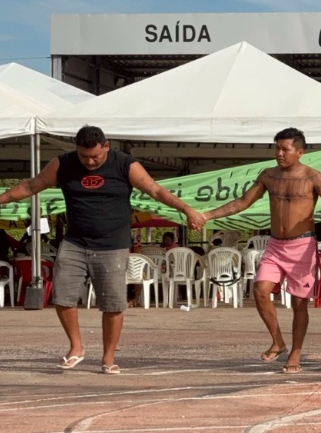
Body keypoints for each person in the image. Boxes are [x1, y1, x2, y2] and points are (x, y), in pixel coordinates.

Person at [0, 126, 205, 374]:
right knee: (62, 296)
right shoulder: (63, 163)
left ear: (106, 146)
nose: (89, 161)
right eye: (83, 156)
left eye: (95, 156)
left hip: (113, 245)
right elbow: (32, 186)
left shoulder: (126, 165)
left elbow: (156, 190)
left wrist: (188, 210)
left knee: (113, 304)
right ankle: (76, 347)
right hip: (75, 243)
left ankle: (108, 357)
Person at [202, 128, 321, 374]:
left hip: (303, 246)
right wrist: (207, 215)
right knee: (260, 290)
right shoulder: (268, 176)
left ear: (300, 152)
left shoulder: (313, 177)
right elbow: (242, 202)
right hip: (275, 244)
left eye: (285, 149)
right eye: (277, 148)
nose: (280, 154)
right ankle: (278, 341)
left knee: (299, 303)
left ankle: (295, 351)